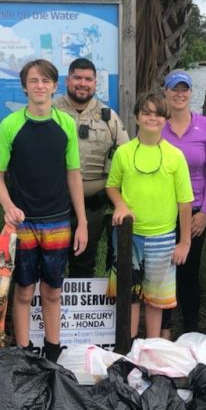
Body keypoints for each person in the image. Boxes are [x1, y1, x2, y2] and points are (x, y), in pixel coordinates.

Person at [0, 59, 88, 363]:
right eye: (34, 81)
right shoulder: (11, 124)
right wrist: (8, 207)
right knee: (22, 290)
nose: (40, 86)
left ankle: (53, 351)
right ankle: (23, 351)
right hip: (23, 223)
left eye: (46, 81)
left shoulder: (66, 124)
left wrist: (81, 221)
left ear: (55, 86)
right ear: (25, 86)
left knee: (53, 291)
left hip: (58, 221)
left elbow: (74, 174)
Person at [106, 92, 193, 339]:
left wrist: (184, 242)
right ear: (136, 117)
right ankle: (129, 345)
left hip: (162, 238)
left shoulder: (175, 155)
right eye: (146, 113)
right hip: (127, 237)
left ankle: (153, 346)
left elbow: (185, 202)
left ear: (166, 119)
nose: (152, 118)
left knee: (156, 299)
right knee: (129, 294)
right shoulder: (124, 152)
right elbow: (112, 186)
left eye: (158, 114)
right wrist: (120, 205)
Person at [53, 58, 129, 278]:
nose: (82, 83)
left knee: (84, 263)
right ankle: (52, 311)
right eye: (77, 77)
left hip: (93, 206)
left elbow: (126, 157)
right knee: (51, 263)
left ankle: (80, 312)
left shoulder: (108, 117)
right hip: (55, 205)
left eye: (88, 79)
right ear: (67, 80)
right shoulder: (51, 112)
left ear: (95, 83)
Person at [159, 70, 206, 336]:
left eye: (184, 89)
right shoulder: (158, 125)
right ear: (166, 93)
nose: (179, 94)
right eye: (174, 89)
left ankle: (192, 329)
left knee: (189, 272)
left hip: (195, 212)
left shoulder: (204, 125)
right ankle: (165, 327)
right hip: (162, 211)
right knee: (163, 272)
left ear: (191, 93)